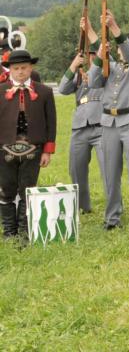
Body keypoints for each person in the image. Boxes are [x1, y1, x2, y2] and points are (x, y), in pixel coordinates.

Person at [88, 12, 129, 229]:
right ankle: (112, 217)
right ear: (117, 50)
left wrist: (115, 28)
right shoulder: (111, 68)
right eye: (123, 48)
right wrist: (100, 56)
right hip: (108, 122)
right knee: (110, 173)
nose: (127, 50)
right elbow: (92, 82)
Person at [0, 49, 55, 239]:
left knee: (28, 190)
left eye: (24, 67)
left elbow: (51, 123)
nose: (20, 72)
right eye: (16, 68)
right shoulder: (0, 91)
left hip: (34, 148)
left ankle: (24, 232)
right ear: (10, 70)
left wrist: (47, 151)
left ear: (31, 68)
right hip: (4, 148)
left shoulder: (45, 92)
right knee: (6, 189)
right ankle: (9, 232)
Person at [58, 18, 102, 214]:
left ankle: (113, 206)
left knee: (108, 168)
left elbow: (102, 52)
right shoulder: (78, 74)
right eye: (89, 56)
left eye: (94, 55)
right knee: (76, 168)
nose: (91, 58)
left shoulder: (104, 72)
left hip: (100, 123)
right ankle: (83, 206)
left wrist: (90, 30)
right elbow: (62, 89)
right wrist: (73, 66)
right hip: (80, 125)